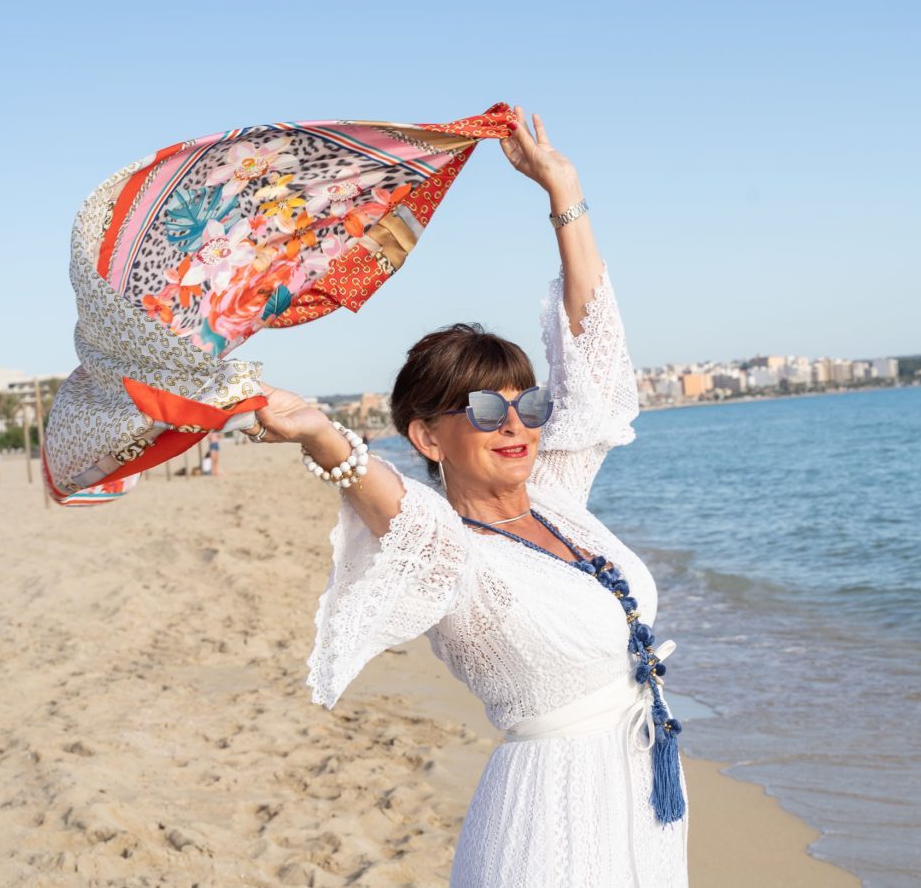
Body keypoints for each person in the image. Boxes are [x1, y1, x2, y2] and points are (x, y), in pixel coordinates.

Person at [244, 106, 688, 886]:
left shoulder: (555, 497)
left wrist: (564, 192)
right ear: (426, 437)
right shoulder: (448, 550)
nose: (515, 423)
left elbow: (595, 357)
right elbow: (376, 491)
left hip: (642, 795)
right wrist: (320, 434)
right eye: (485, 409)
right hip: (554, 820)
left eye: (528, 403)